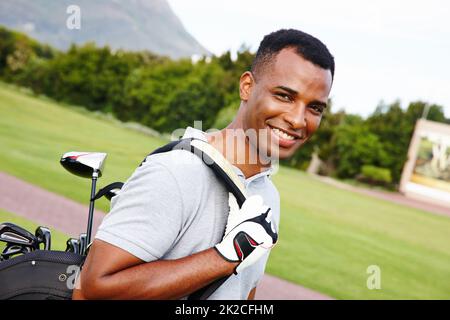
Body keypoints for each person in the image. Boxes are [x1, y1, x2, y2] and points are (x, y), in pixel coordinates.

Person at [72, 28, 334, 300]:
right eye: (284, 96)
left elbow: (242, 293)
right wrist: (225, 256)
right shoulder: (176, 172)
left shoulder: (268, 197)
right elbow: (92, 289)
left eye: (314, 108)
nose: (298, 119)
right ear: (247, 87)